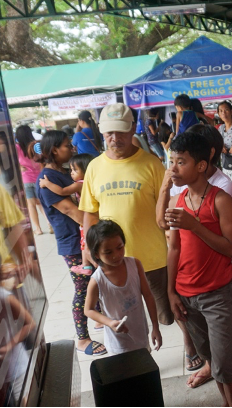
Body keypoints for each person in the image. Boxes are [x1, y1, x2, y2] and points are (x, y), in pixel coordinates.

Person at [158, 124, 232, 396]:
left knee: (226, 365)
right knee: (211, 359)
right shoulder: (177, 201)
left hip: (216, 294)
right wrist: (171, 291)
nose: (174, 169)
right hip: (185, 294)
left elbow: (229, 248)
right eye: (172, 161)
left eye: (181, 162)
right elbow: (174, 249)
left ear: (201, 165)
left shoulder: (221, 199)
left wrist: (195, 225)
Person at [78, 103, 173, 355]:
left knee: (168, 310)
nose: (114, 138)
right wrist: (89, 250)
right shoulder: (95, 167)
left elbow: (166, 208)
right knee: (122, 315)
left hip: (152, 257)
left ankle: (190, 347)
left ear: (133, 128)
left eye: (120, 131)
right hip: (112, 261)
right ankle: (134, 356)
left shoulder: (152, 164)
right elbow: (90, 211)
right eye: (109, 132)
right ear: (101, 131)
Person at [36, 131, 106, 356]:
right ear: (54, 149)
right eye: (67, 145)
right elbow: (72, 211)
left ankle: (98, 318)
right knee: (82, 289)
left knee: (95, 279)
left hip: (85, 236)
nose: (72, 148)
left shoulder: (64, 172)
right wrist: (96, 230)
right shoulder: (46, 180)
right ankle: (82, 339)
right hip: (73, 242)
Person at [84, 220, 163, 355]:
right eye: (108, 252)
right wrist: (109, 323)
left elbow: (148, 295)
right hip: (118, 344)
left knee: (144, 368)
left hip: (140, 334)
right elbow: (88, 310)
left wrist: (155, 326)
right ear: (96, 254)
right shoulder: (97, 280)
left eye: (120, 247)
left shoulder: (135, 264)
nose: (116, 255)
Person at [40, 153, 94, 274]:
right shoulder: (92, 181)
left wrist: (46, 183)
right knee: (85, 241)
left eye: (75, 170)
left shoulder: (80, 183)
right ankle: (88, 266)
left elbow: (62, 191)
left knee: (85, 243)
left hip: (86, 216)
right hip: (91, 214)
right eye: (71, 170)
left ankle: (87, 266)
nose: (71, 173)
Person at [15, 125, 50, 236]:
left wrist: (19, 167)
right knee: (41, 203)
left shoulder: (16, 147)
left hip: (25, 179)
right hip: (39, 178)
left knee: (31, 205)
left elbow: (11, 161)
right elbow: (43, 160)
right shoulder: (36, 145)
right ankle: (50, 224)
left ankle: (38, 229)